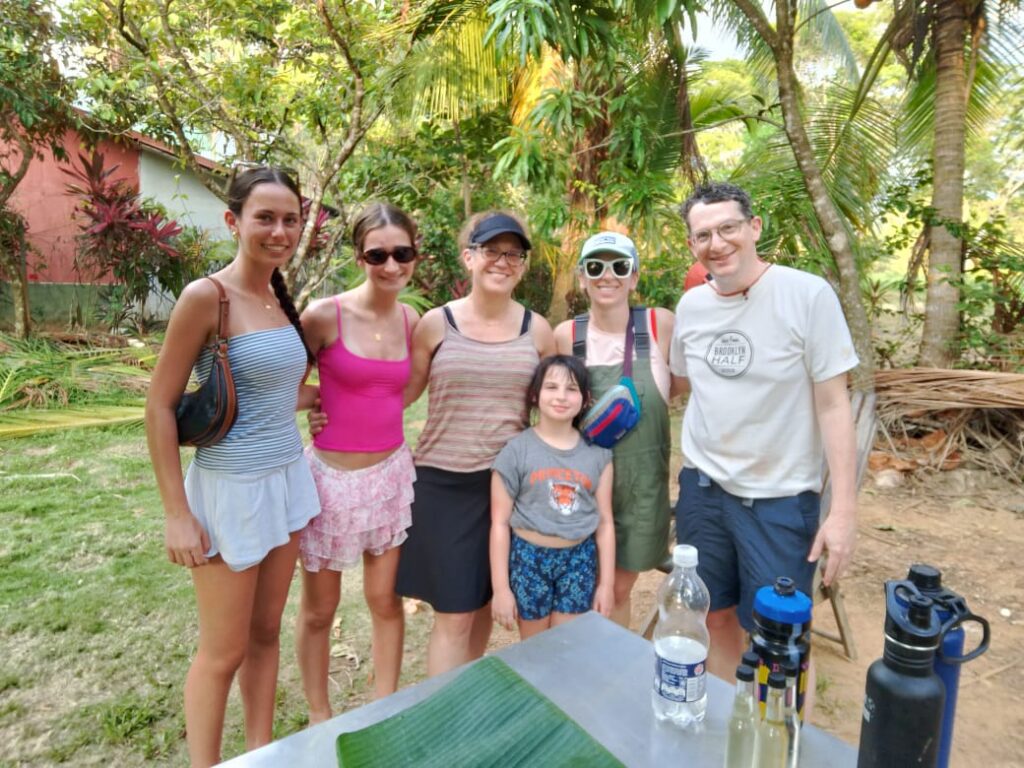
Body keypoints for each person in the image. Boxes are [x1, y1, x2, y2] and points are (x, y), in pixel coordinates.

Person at [145, 166, 321, 767]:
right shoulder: (206, 297)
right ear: (234, 221)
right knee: (222, 654)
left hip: (286, 483)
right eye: (264, 217)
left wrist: (310, 403)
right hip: (230, 492)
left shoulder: (277, 293)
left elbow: (259, 391)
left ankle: (259, 756)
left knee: (266, 635)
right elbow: (160, 406)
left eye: (290, 219)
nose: (279, 230)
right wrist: (176, 513)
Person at [670, 180, 858, 683]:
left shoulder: (807, 295)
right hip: (703, 489)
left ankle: (782, 748)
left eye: (728, 227)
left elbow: (835, 404)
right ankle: (737, 723)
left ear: (754, 228)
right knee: (712, 614)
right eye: (703, 234)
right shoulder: (691, 307)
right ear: (692, 245)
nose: (717, 242)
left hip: (778, 499)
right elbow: (685, 385)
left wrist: (842, 512)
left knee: (781, 636)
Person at [396, 211, 555, 677]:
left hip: (507, 488)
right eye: (491, 251)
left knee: (484, 601)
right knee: (455, 611)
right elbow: (402, 395)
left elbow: (556, 406)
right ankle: (440, 723)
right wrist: (334, 411)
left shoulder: (537, 330)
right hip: (442, 485)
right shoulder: (435, 324)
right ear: (469, 257)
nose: (503, 262)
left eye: (513, 254)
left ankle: (465, 699)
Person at [294, 202, 420, 722]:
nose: (391, 266)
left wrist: (364, 409)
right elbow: (281, 381)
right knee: (320, 611)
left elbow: (403, 392)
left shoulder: (413, 319)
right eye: (378, 254)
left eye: (403, 253)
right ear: (358, 255)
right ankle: (320, 715)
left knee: (385, 601)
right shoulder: (324, 315)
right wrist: (315, 407)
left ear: (415, 254)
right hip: (329, 481)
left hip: (389, 476)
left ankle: (383, 707)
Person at [553, 232, 677, 628]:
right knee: (581, 589)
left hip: (641, 492)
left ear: (635, 277)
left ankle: (609, 675)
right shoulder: (565, 336)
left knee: (617, 591)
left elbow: (686, 386)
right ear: (582, 278)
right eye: (595, 267)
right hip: (582, 488)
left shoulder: (660, 325)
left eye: (619, 266)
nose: (607, 276)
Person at [490, 355, 615, 639]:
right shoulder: (516, 451)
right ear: (535, 395)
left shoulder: (598, 455)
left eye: (571, 389)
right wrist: (501, 589)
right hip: (528, 560)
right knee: (534, 647)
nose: (561, 396)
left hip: (578, 560)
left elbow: (605, 523)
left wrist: (605, 584)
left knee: (564, 646)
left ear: (585, 400)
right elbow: (499, 523)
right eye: (551, 387)